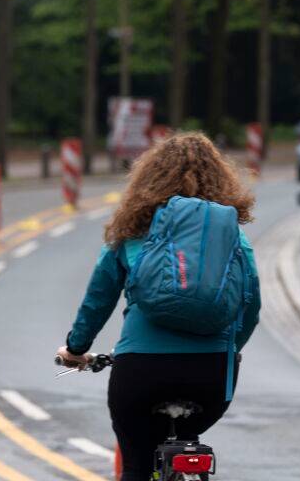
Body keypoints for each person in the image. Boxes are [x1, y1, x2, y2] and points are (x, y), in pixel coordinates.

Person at [56, 133, 261, 481]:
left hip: (141, 371)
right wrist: (229, 349)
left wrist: (76, 349)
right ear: (220, 180)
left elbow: (98, 301)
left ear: (147, 180)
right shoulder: (232, 238)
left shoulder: (131, 234)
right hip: (211, 376)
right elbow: (251, 306)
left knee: (137, 466)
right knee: (189, 441)